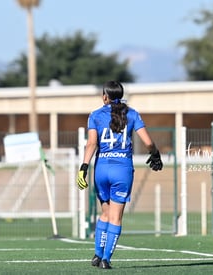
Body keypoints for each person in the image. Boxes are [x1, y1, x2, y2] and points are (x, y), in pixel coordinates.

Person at [76, 80, 163, 269]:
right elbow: (148, 142)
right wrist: (155, 154)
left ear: (105, 96)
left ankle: (97, 255)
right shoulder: (132, 114)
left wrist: (83, 167)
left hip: (101, 169)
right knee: (116, 217)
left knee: (105, 214)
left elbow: (91, 144)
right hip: (122, 171)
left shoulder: (95, 115)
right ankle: (106, 258)